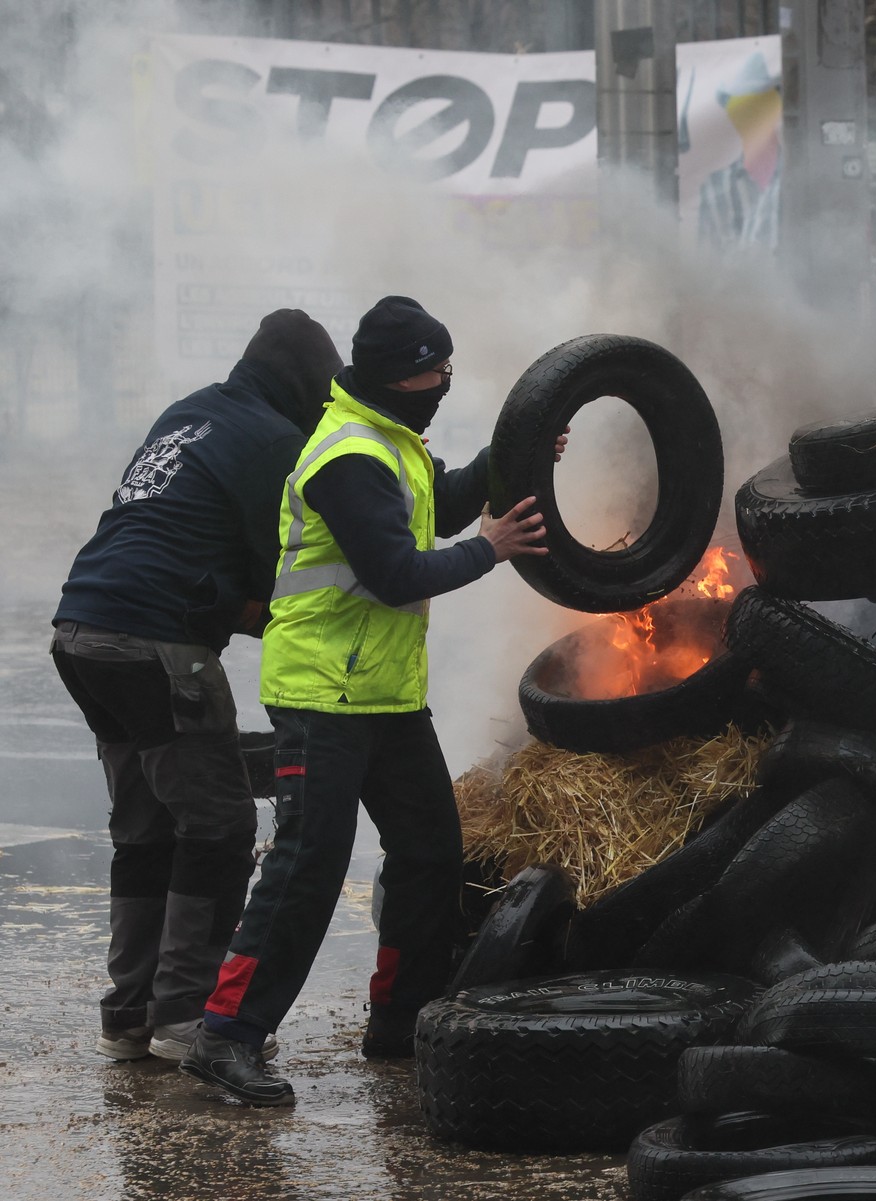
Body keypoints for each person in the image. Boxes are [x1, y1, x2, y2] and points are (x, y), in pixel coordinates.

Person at [180, 295, 555, 1107]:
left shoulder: (391, 438)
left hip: (383, 695)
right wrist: (489, 551)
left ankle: (399, 1020)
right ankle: (225, 1035)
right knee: (308, 866)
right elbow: (395, 574)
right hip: (324, 693)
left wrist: (513, 455)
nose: (445, 381)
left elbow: (446, 502)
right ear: (396, 374)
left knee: (430, 851)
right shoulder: (347, 453)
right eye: (434, 369)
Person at [51, 310, 343, 1065]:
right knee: (217, 825)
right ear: (306, 383)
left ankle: (127, 1016)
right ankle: (184, 1015)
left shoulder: (191, 412)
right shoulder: (278, 443)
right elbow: (277, 575)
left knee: (147, 826)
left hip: (81, 630)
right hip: (153, 644)